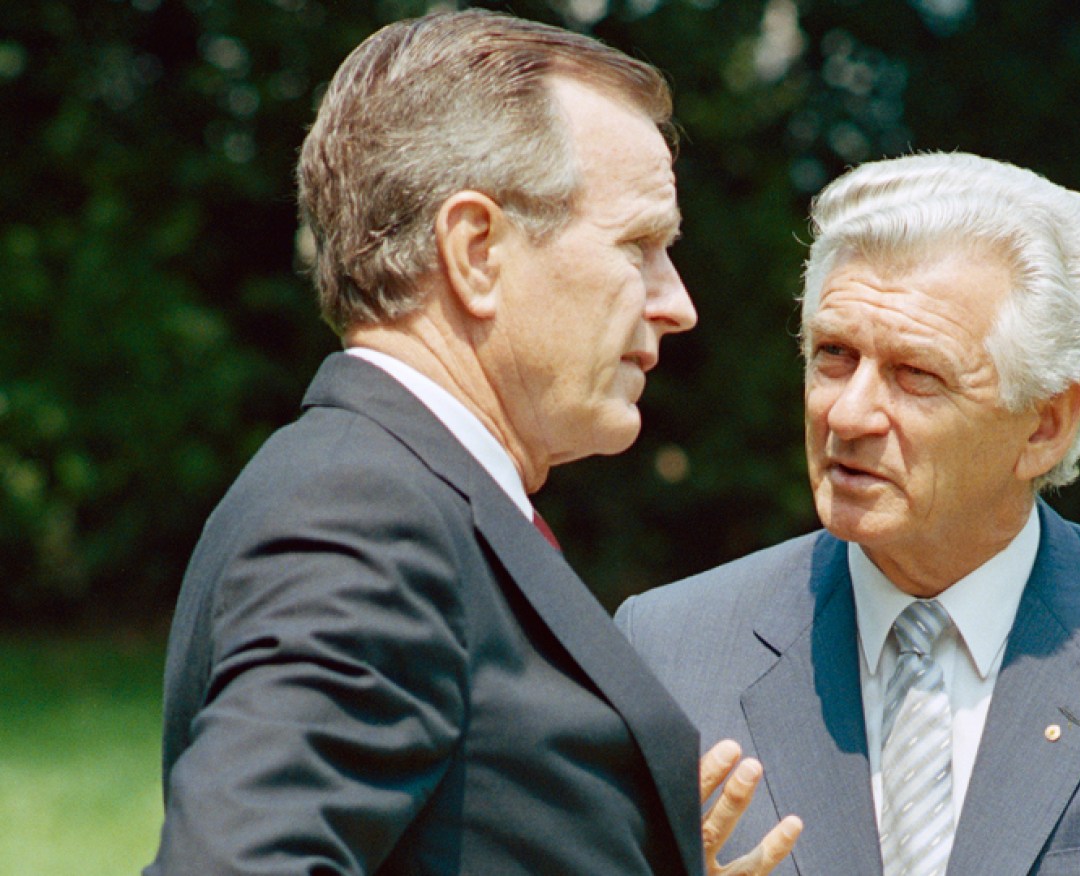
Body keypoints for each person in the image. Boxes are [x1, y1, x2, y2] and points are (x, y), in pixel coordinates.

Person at [146, 10, 800, 875]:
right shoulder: (364, 518)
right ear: (476, 250)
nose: (676, 303)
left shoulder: (400, 492)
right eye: (639, 246)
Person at [617, 152, 1080, 875]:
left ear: (1045, 425)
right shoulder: (669, 648)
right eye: (832, 354)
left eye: (915, 375)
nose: (848, 413)